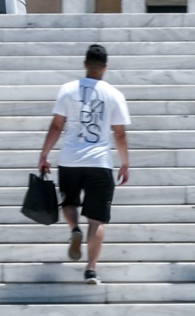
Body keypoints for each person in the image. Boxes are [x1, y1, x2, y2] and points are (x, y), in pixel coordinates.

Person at [37, 44, 131, 286]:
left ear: (85, 64)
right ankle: (91, 270)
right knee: (97, 220)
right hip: (99, 161)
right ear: (105, 68)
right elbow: (119, 134)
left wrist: (45, 153)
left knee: (69, 203)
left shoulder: (68, 90)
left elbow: (57, 125)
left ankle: (74, 229)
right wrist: (125, 163)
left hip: (70, 159)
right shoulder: (114, 94)